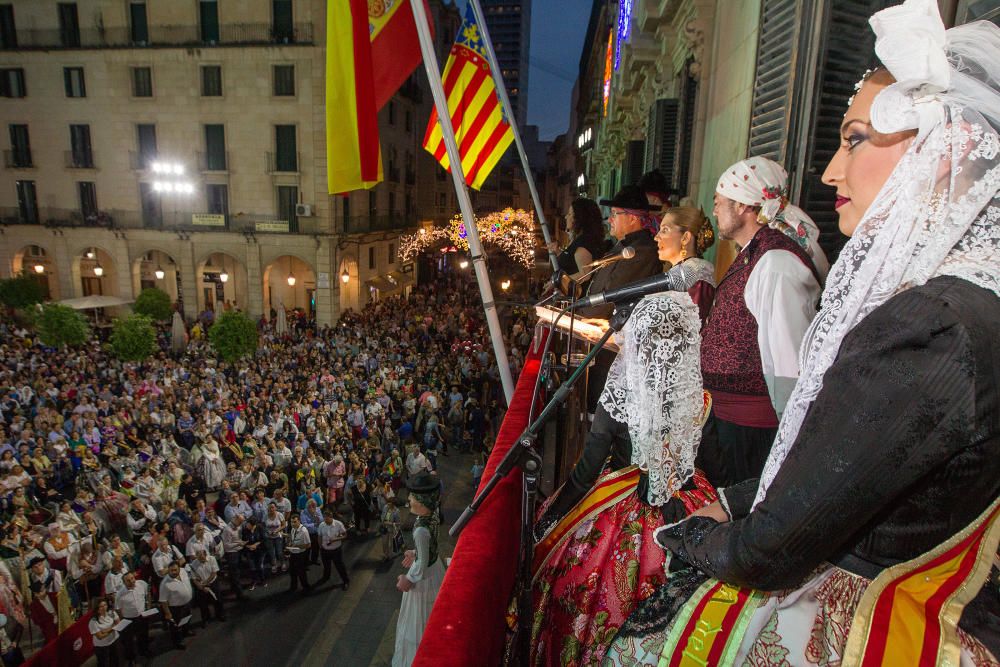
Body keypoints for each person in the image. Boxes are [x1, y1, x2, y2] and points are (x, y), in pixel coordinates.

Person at [607, 4, 1000, 664]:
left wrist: (688, 535)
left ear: (949, 146)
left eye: (853, 140)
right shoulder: (955, 303)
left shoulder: (929, 325)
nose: (828, 173)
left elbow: (778, 532)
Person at [524, 293, 714, 665]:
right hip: (691, 504)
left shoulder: (624, 397)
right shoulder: (700, 397)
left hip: (624, 511)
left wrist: (550, 521)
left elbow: (588, 469)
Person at [696, 155, 825, 488]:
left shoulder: (776, 262)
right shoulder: (754, 254)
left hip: (751, 430)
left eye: (718, 202)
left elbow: (788, 358)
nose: (714, 211)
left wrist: (791, 439)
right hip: (728, 421)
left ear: (742, 206)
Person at [577, 185, 665, 412]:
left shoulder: (640, 251)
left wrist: (578, 315)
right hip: (605, 343)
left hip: (617, 350)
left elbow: (610, 297)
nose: (609, 220)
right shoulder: (625, 246)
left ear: (633, 218)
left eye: (615, 214)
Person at [392, 473, 446, 667]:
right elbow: (430, 548)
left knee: (418, 622)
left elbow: (421, 565)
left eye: (412, 497)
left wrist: (408, 578)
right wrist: (414, 552)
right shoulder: (433, 515)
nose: (409, 500)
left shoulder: (420, 529)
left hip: (425, 579)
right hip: (436, 569)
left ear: (422, 501)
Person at [653, 206, 717, 324]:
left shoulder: (696, 275)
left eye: (664, 230)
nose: (656, 237)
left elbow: (691, 329)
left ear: (685, 238)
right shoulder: (682, 271)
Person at [546, 198, 609, 285]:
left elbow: (585, 275)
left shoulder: (583, 245)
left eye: (569, 214)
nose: (565, 216)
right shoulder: (582, 239)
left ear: (579, 218)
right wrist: (558, 251)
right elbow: (572, 262)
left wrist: (556, 282)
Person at [114, 572, 151, 662]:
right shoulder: (120, 594)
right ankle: (130, 657)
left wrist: (148, 607)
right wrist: (122, 618)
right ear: (124, 583)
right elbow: (117, 608)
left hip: (142, 616)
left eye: (132, 578)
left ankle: (144, 651)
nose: (131, 581)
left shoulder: (141, 584)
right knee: (129, 640)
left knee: (143, 635)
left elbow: (147, 595)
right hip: (129, 619)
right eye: (128, 580)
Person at [158, 561, 194, 650]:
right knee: (175, 626)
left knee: (186, 619)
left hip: (187, 604)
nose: (174, 572)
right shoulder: (164, 584)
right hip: (176, 608)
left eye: (175, 570)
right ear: (168, 571)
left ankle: (186, 631)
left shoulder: (183, 571)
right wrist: (167, 613)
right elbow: (163, 601)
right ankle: (178, 642)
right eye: (171, 570)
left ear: (179, 569)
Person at [189, 548, 226, 627]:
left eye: (202, 558)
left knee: (218, 600)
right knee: (203, 604)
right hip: (201, 586)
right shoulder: (193, 564)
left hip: (213, 582)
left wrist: (205, 583)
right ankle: (206, 619)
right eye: (198, 558)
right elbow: (194, 578)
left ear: (205, 555)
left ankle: (220, 615)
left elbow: (214, 573)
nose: (201, 560)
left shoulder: (212, 559)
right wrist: (201, 586)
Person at [317, 510, 349, 589]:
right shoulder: (321, 525)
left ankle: (346, 581)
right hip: (325, 550)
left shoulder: (338, 524)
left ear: (331, 517)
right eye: (324, 518)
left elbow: (345, 535)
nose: (325, 520)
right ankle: (326, 577)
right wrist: (320, 546)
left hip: (336, 550)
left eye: (327, 519)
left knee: (340, 566)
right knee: (326, 566)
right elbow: (319, 536)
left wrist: (336, 539)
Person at [88, 597, 120, 667]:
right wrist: (113, 627)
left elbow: (118, 623)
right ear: (96, 608)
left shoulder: (111, 612)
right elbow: (100, 636)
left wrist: (106, 630)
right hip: (102, 646)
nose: (104, 608)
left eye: (105, 605)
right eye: (101, 606)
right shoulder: (93, 621)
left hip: (114, 640)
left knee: (115, 660)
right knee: (103, 663)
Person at [286, 513, 312, 593]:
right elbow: (292, 538)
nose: (293, 524)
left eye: (294, 522)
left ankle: (306, 587)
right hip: (293, 553)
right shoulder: (293, 529)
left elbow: (308, 545)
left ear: (299, 521)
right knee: (292, 571)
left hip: (301, 554)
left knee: (301, 572)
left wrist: (297, 546)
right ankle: (293, 587)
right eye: (291, 522)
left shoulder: (304, 531)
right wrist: (290, 544)